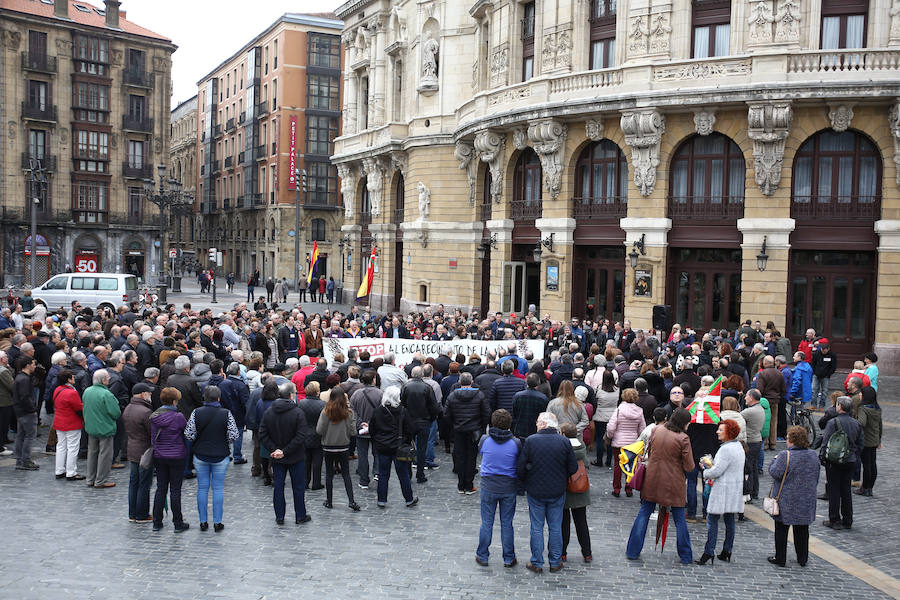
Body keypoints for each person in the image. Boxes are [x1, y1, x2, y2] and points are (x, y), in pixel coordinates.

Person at [625, 408, 694, 564]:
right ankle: (685, 555)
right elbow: (689, 466)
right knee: (679, 518)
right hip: (673, 483)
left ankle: (632, 550)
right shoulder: (683, 438)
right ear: (684, 423)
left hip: (653, 478)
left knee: (644, 513)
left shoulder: (656, 430)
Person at [517, 412, 578, 573]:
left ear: (543, 424)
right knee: (555, 526)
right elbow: (573, 468)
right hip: (557, 490)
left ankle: (537, 562)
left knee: (536, 527)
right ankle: (555, 561)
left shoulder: (531, 441)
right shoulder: (564, 441)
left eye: (537, 422)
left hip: (536, 490)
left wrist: (528, 477)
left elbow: (521, 467)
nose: (536, 425)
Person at [185, 385, 240, 532]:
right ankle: (217, 522)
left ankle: (203, 522)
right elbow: (234, 435)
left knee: (202, 488)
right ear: (218, 398)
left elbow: (189, 434)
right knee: (218, 488)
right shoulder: (226, 413)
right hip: (220, 455)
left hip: (201, 454)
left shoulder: (196, 413)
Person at [260, 382, 312, 525]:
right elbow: (301, 436)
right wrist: (284, 451)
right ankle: (300, 515)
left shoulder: (269, 412)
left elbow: (263, 434)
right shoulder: (298, 413)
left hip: (277, 457)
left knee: (278, 487)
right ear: (291, 395)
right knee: (298, 487)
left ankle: (280, 516)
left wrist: (275, 450)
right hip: (295, 456)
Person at [767, 426, 820, 567]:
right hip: (806, 499)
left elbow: (775, 473)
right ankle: (802, 558)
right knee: (802, 530)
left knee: (781, 530)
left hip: (786, 499)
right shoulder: (813, 455)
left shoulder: (785, 455)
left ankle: (780, 558)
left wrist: (774, 460)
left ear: (792, 439)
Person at [695, 419, 745, 565]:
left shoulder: (725, 449)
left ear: (728, 432)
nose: (717, 431)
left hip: (722, 489)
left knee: (712, 520)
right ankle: (727, 550)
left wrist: (705, 469)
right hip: (734, 488)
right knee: (729, 521)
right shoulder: (738, 447)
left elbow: (716, 471)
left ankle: (708, 552)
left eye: (720, 430)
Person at [476, 409, 520, 568]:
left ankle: (482, 555)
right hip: (508, 486)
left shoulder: (485, 440)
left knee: (486, 522)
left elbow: (481, 452)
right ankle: (508, 557)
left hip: (489, 485)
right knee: (507, 523)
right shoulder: (515, 443)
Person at [368, 386, 418, 508]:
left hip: (383, 446)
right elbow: (410, 430)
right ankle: (409, 499)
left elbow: (372, 429)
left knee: (383, 474)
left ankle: (382, 500)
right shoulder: (402, 411)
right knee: (403, 474)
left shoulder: (378, 411)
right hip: (399, 447)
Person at [819, 396, 864, 530]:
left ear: (840, 407)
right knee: (846, 490)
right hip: (850, 460)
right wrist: (854, 455)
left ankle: (835, 519)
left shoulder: (833, 422)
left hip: (834, 461)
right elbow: (861, 443)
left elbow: (826, 442)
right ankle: (848, 519)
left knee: (834, 490)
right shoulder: (856, 423)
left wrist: (822, 457)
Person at [150, 387, 190, 532]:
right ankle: (178, 523)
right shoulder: (178, 417)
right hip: (176, 455)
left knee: (160, 488)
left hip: (159, 455)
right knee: (175, 490)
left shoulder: (154, 416)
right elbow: (186, 433)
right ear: (174, 401)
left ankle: (157, 521)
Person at [316, 386, 360, 511]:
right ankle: (351, 501)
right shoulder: (349, 413)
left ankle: (329, 501)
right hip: (343, 447)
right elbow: (353, 432)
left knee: (329, 475)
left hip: (328, 447)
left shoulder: (325, 412)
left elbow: (319, 430)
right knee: (346, 474)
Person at [445, 372, 491, 494]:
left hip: (459, 430)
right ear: (471, 382)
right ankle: (469, 485)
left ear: (459, 382)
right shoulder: (479, 395)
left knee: (460, 457)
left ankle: (461, 485)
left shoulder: (452, 396)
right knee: (471, 457)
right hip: (473, 430)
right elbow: (486, 413)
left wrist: (454, 425)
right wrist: (481, 427)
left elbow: (446, 414)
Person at [82, 369, 122, 487]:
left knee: (92, 453)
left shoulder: (87, 391)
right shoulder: (107, 394)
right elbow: (115, 412)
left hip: (91, 427)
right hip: (105, 428)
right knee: (105, 455)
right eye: (108, 378)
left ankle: (90, 479)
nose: (109, 379)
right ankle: (101, 480)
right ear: (103, 380)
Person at [559, 422, 592, 563]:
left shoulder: (562, 448)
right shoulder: (582, 447)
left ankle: (562, 553)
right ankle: (587, 553)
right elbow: (587, 465)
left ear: (563, 434)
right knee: (581, 522)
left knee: (563, 523)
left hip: (565, 489)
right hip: (580, 488)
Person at [605, 388, 645, 497]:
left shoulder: (618, 410)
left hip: (618, 441)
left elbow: (611, 426)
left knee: (618, 465)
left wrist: (610, 436)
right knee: (630, 465)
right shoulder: (639, 411)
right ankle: (629, 488)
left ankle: (617, 489)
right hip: (632, 443)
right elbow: (642, 429)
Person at [123, 382, 154, 523]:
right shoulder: (145, 412)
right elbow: (151, 433)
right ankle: (142, 514)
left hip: (132, 449)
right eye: (149, 393)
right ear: (143, 394)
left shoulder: (128, 408)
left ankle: (132, 513)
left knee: (133, 483)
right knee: (144, 483)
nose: (151, 395)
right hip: (144, 451)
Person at [349, 370, 382, 489]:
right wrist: (371, 424)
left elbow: (352, 412)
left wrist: (360, 424)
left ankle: (363, 479)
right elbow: (381, 413)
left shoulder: (356, 394)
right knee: (377, 452)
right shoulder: (380, 393)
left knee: (362, 454)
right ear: (373, 380)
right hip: (376, 429)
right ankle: (377, 473)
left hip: (360, 429)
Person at [51, 369, 84, 480]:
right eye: (73, 377)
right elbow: (79, 408)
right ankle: (71, 472)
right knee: (72, 448)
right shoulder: (72, 393)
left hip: (59, 422)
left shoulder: (57, 390)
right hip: (71, 423)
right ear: (69, 380)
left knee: (61, 446)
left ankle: (59, 470)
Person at [12, 356, 39, 471]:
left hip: (20, 411)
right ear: (27, 365)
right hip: (26, 412)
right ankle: (26, 460)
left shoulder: (20, 377)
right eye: (33, 364)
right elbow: (25, 397)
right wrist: (32, 409)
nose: (34, 366)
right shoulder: (24, 379)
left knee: (21, 436)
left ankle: (20, 460)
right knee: (29, 436)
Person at [299, 381, 326, 490]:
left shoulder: (301, 403)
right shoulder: (323, 404)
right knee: (317, 460)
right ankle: (316, 482)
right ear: (317, 392)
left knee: (306, 460)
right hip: (318, 434)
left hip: (304, 434)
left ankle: (305, 481)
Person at [855, 392, 882, 497]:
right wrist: (879, 440)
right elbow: (880, 425)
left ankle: (864, 488)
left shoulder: (863, 409)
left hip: (865, 441)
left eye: (862, 393)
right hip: (874, 440)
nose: (860, 395)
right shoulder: (877, 408)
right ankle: (870, 487)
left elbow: (861, 423)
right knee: (872, 464)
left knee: (866, 465)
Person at [741, 389, 766, 501]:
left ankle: (749, 493)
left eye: (746, 396)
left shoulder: (749, 412)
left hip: (750, 442)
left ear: (751, 397)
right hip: (757, 440)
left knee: (748, 468)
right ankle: (754, 491)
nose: (745, 398)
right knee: (754, 468)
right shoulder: (760, 408)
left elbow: (736, 418)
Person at [591, 369, 618, 467]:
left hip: (600, 416)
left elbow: (595, 401)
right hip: (612, 416)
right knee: (610, 439)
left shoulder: (599, 389)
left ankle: (599, 460)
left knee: (599, 439)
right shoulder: (617, 390)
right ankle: (609, 460)